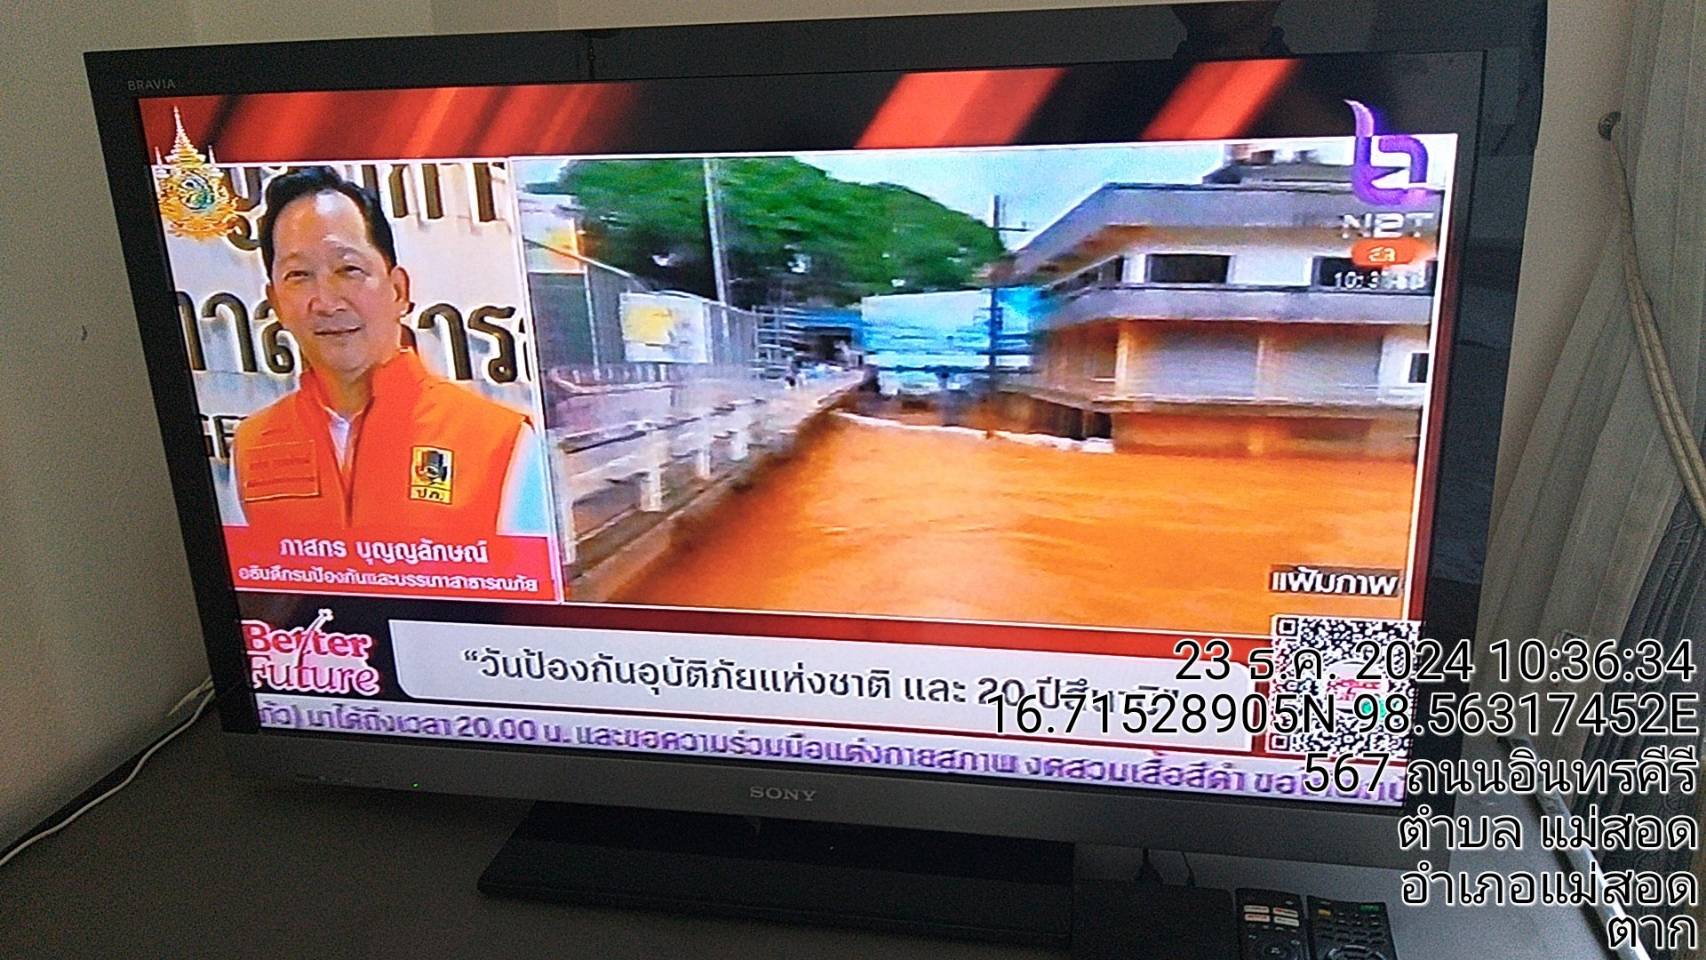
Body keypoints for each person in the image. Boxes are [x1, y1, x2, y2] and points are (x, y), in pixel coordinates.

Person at [231, 167, 545, 540]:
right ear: (276, 303)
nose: (327, 303)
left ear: (398, 290)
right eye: (299, 275)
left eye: (348, 269)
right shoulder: (250, 446)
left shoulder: (502, 443)